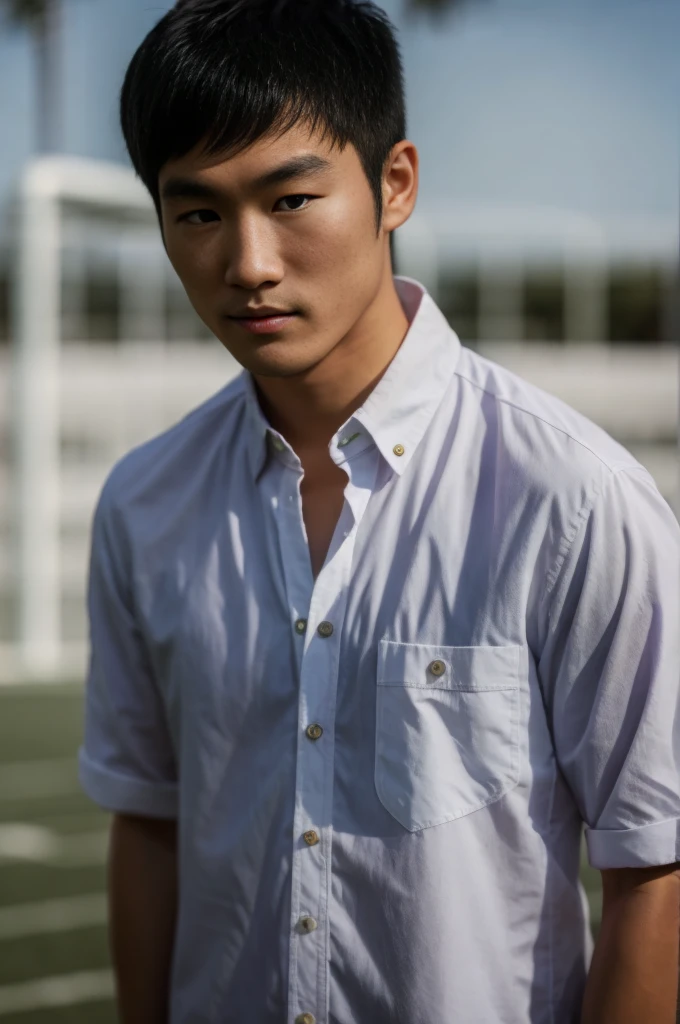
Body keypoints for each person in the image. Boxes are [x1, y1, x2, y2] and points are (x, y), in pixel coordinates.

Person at [78, 1, 680, 1021]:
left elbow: (652, 870)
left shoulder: (571, 497)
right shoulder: (144, 502)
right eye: (197, 213)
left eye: (292, 198)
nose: (248, 263)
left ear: (392, 182)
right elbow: (148, 824)